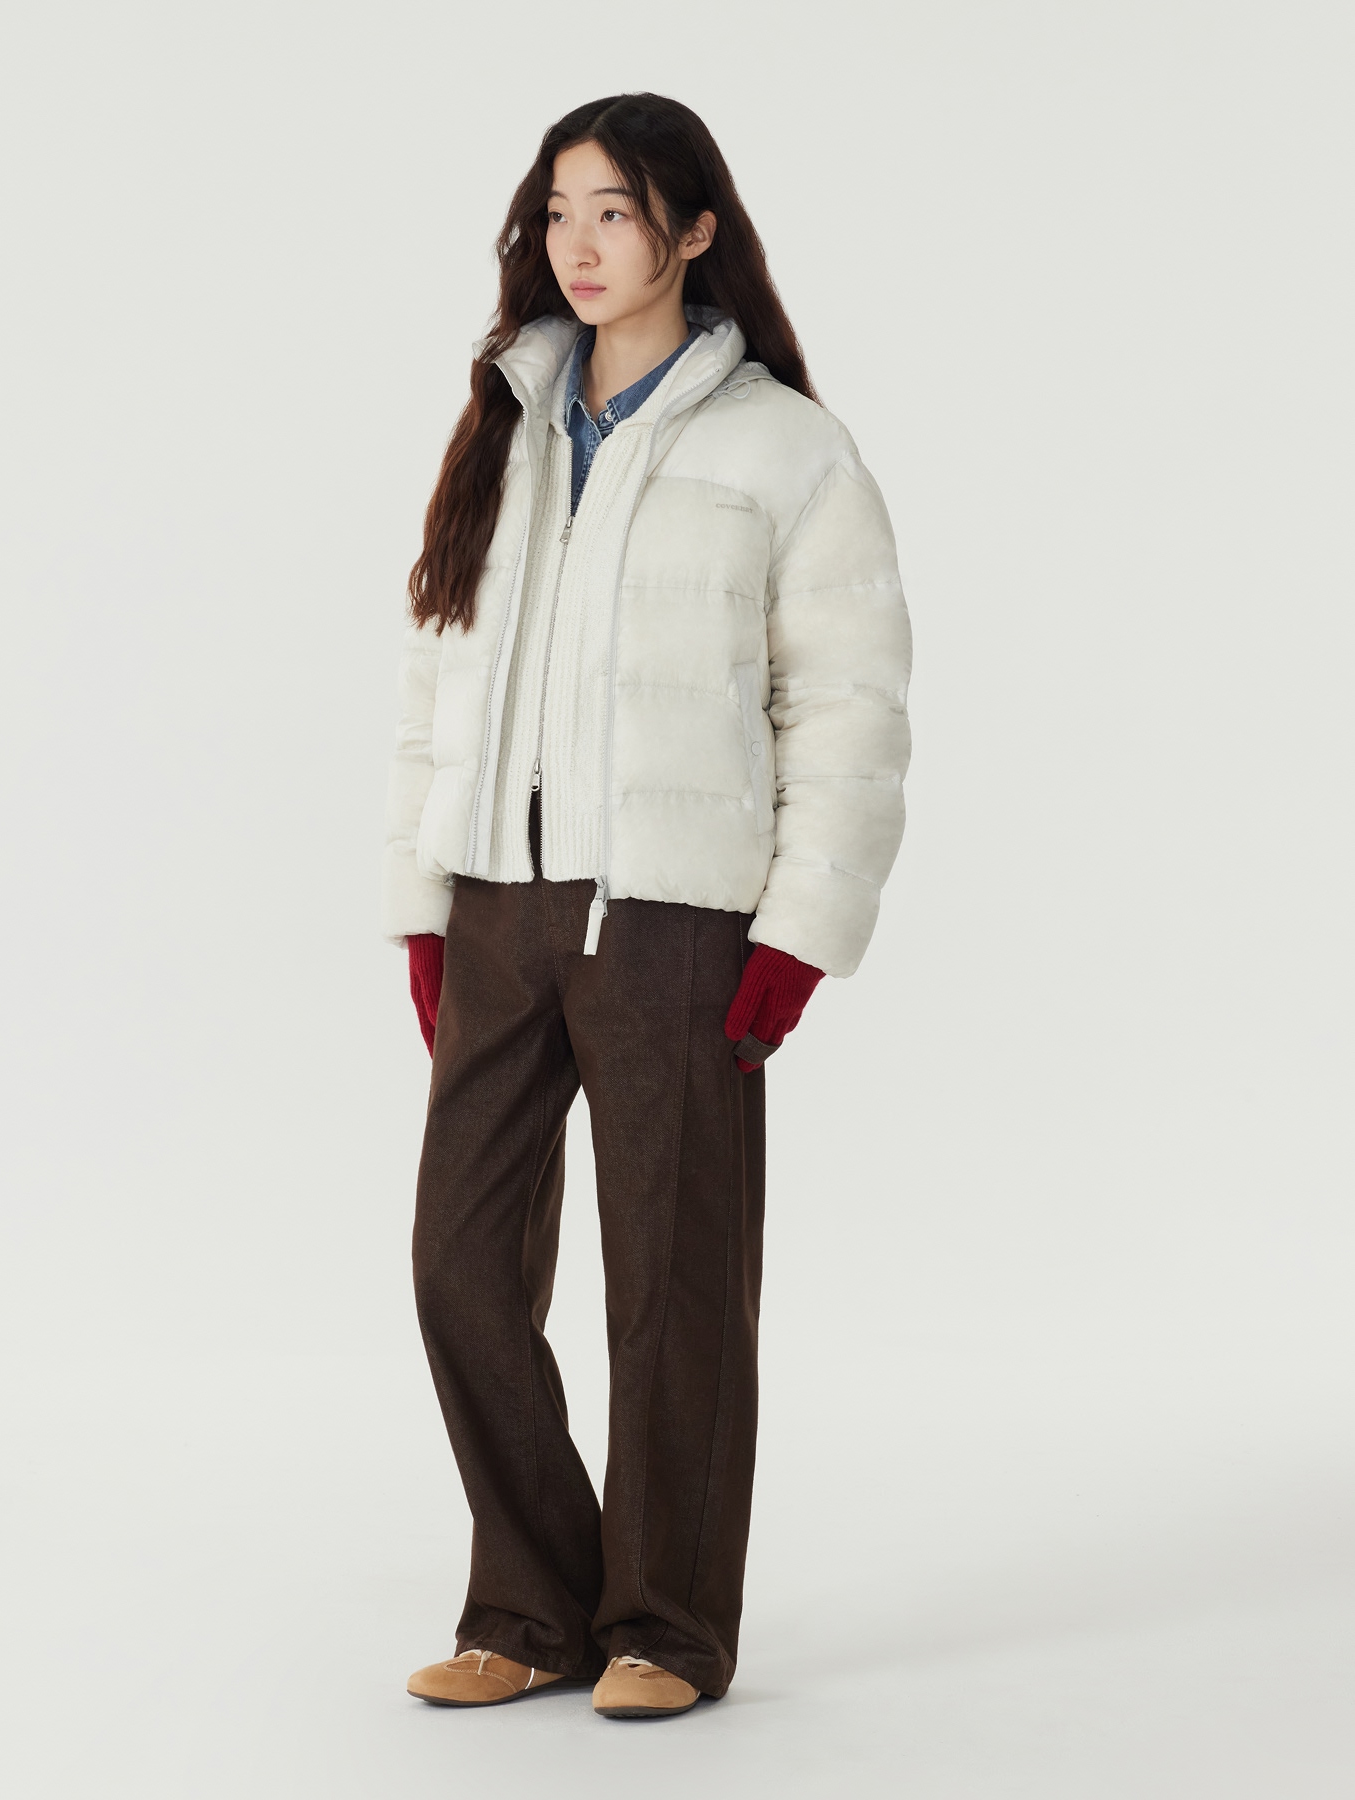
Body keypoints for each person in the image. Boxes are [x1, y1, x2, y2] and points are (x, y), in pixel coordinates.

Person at [381, 92, 911, 1720]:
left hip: (677, 923)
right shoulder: (509, 426)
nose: (580, 243)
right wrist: (426, 897)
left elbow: (847, 705)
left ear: (692, 230)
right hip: (501, 902)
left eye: (614, 211)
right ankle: (533, 1604)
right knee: (459, 1263)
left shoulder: (785, 449)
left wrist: (797, 935)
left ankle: (666, 1625)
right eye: (558, 213)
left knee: (673, 1285)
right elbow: (439, 681)